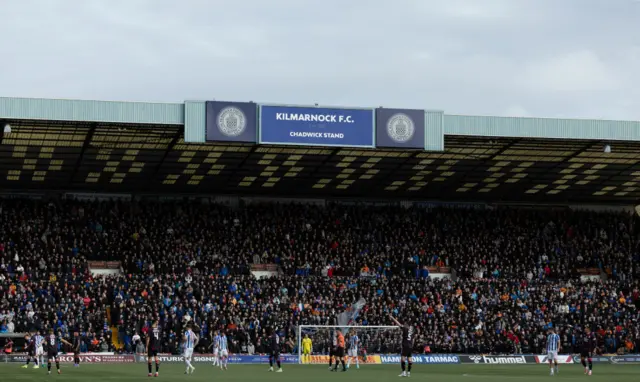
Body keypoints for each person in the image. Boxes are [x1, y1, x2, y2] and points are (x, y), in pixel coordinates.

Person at [390, 313, 414, 378]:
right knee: (409, 360)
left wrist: (392, 317)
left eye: (405, 323)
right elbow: (413, 338)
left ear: (407, 324)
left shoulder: (405, 328)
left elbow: (398, 324)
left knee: (402, 359)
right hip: (410, 345)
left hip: (405, 345)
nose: (404, 324)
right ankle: (408, 372)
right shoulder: (412, 329)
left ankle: (404, 372)